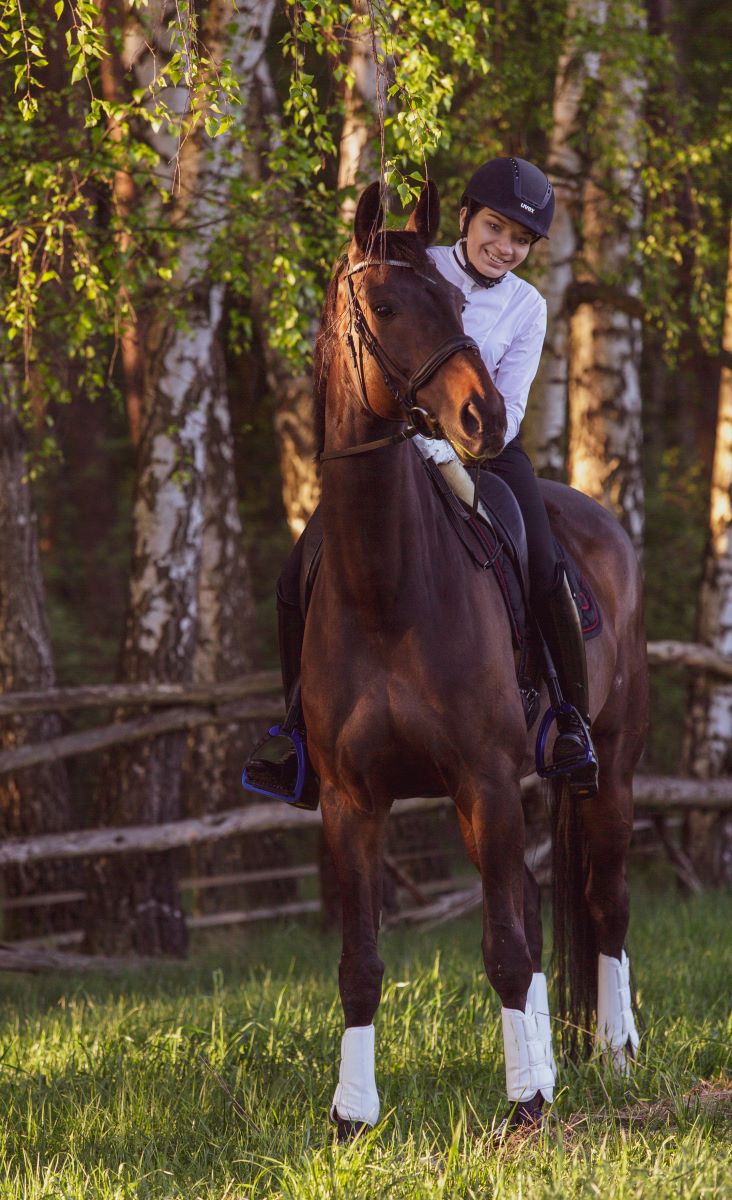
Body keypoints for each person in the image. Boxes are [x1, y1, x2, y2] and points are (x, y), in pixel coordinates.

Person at [244, 157, 598, 808]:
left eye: (521, 240)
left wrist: (454, 447)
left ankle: (568, 722)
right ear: (465, 218)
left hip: (487, 452)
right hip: (394, 453)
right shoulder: (418, 267)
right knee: (298, 571)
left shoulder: (528, 306)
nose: (505, 248)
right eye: (495, 227)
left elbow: (510, 408)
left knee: (545, 565)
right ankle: (297, 734)